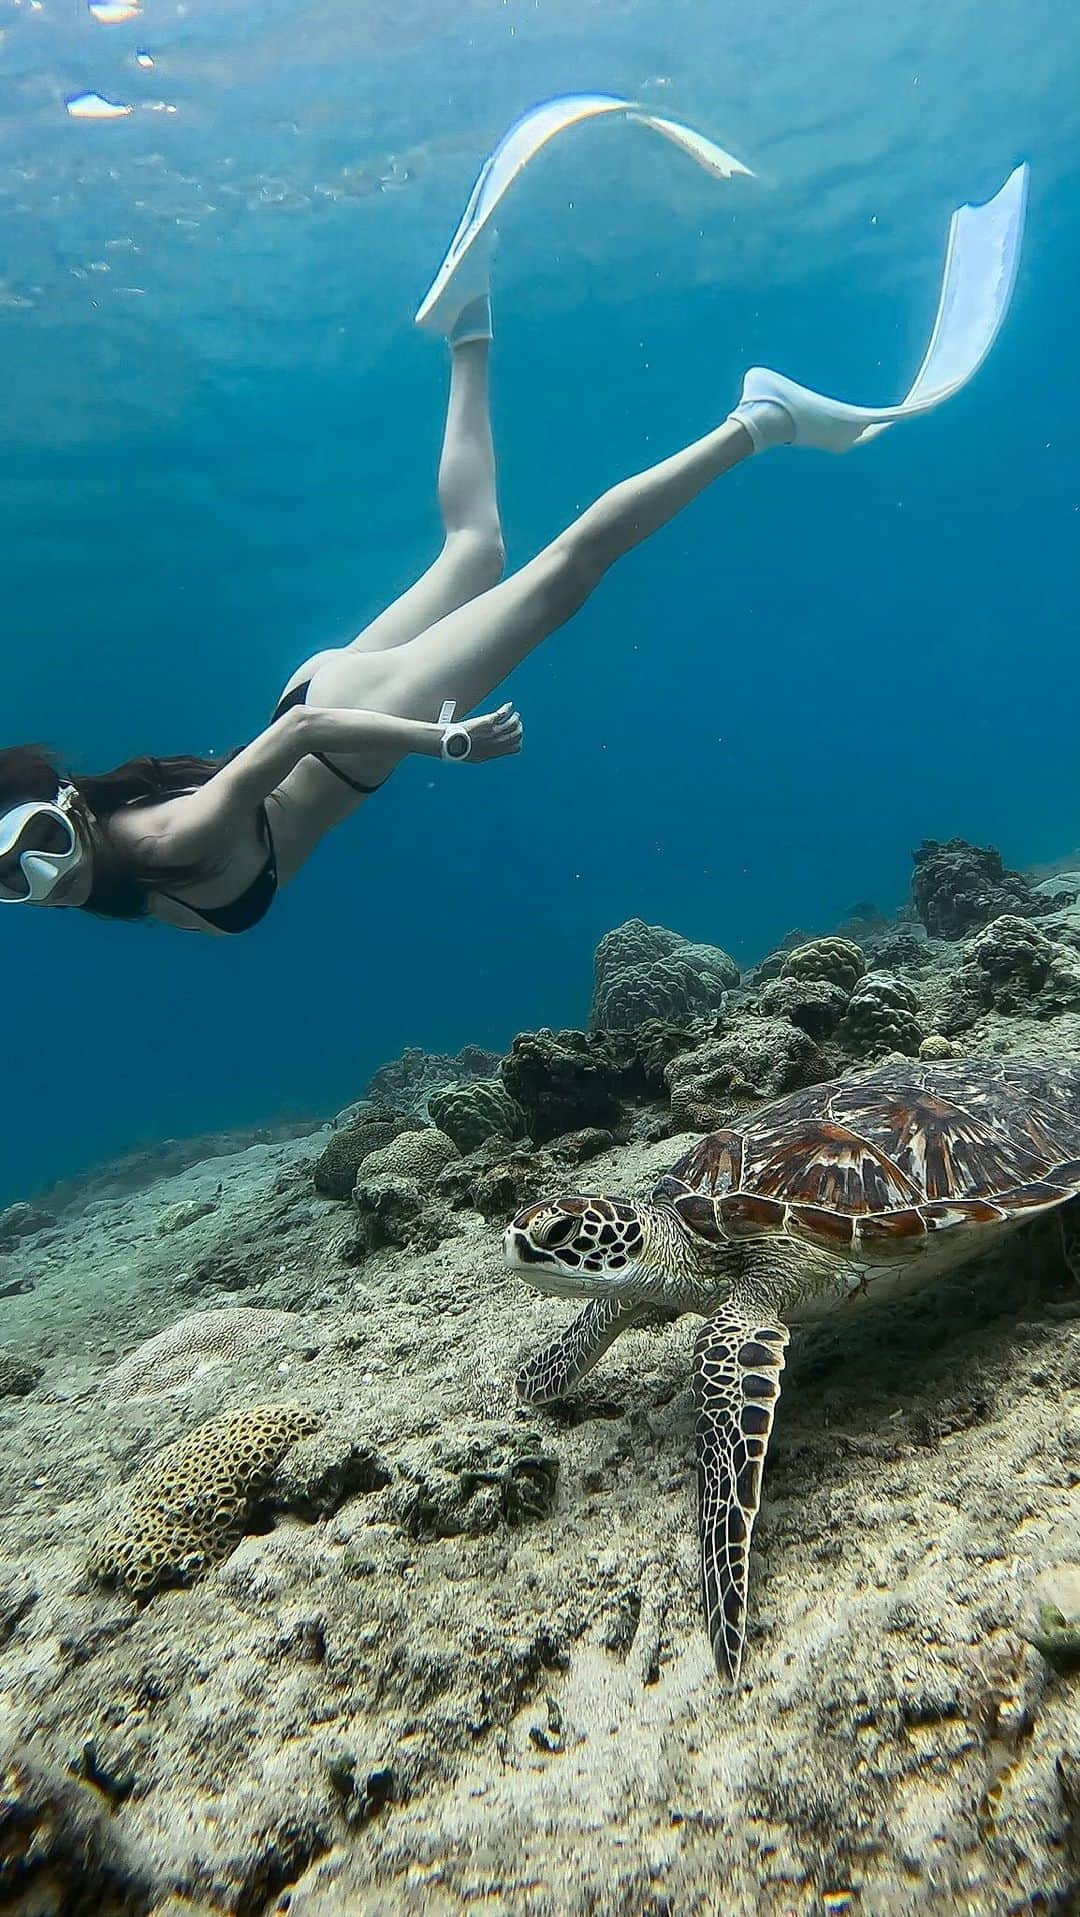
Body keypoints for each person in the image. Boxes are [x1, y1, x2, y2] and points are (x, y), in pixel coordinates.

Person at [0, 144, 1027, 934]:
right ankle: (468, 324)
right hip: (323, 695)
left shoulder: (168, 840)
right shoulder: (128, 866)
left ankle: (761, 422)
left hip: (347, 722)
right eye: (7, 881)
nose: (40, 877)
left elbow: (302, 744)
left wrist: (437, 740)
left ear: (66, 808)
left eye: (35, 842)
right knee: (475, 550)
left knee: (564, 573)